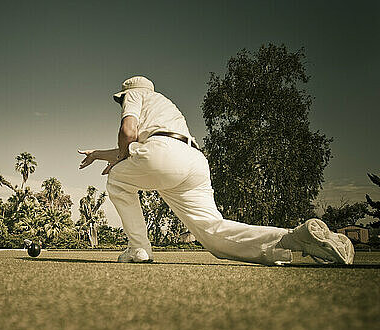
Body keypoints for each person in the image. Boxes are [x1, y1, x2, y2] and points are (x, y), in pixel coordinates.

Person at [78, 76, 354, 265]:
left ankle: (138, 248)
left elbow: (129, 132)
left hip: (163, 156)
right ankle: (296, 239)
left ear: (128, 92)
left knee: (117, 180)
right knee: (214, 234)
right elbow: (149, 149)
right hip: (193, 160)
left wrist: (120, 161)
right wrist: (99, 155)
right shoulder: (167, 107)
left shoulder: (136, 94)